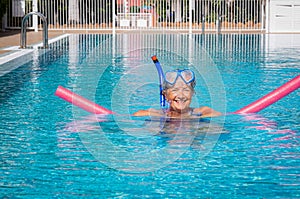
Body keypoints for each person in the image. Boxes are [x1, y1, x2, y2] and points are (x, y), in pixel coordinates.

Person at [133, 69, 222, 118]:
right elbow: (138, 114)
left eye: (186, 90)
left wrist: (187, 118)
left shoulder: (201, 111)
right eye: (175, 90)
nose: (181, 95)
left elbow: (216, 114)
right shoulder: (159, 114)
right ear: (165, 95)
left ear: (192, 93)